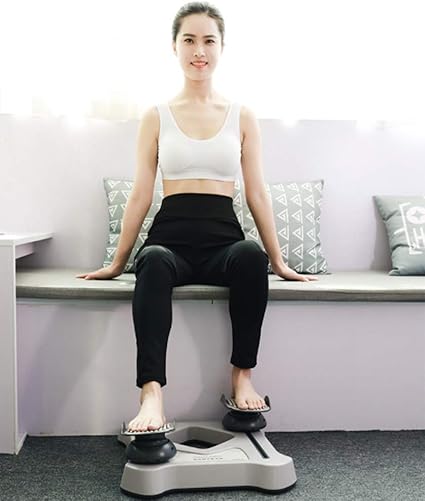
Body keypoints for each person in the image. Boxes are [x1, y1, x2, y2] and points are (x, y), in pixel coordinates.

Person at [77, 1, 318, 433]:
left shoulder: (242, 116)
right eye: (189, 40)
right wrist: (117, 262)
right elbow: (141, 194)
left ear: (222, 47)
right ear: (175, 47)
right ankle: (151, 394)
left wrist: (279, 261)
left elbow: (257, 192)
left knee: (251, 256)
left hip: (223, 239)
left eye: (209, 40)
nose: (199, 50)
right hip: (170, 238)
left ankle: (242, 376)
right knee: (153, 261)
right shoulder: (156, 116)